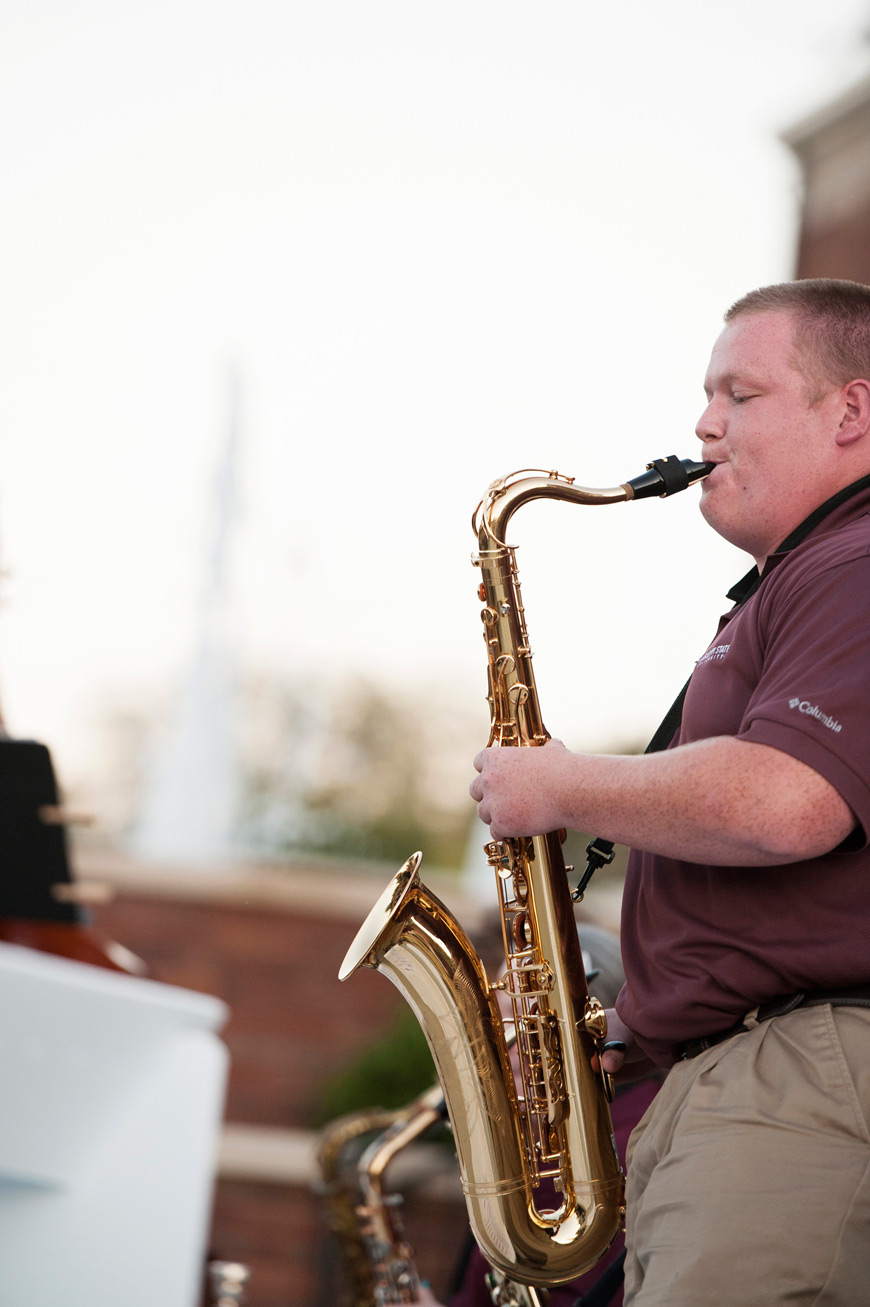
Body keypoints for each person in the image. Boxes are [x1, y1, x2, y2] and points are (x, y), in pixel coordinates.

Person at [470, 278, 870, 1305]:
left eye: (740, 393)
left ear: (852, 412)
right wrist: (620, 1028)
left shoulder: (857, 561)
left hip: (804, 1083)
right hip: (758, 1074)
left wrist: (556, 784)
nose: (704, 423)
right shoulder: (808, 574)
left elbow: (788, 799)